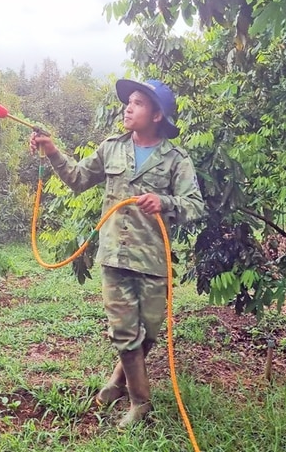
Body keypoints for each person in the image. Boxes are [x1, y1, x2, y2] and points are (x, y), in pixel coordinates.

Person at [30, 78, 205, 429]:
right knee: (125, 332)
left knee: (147, 333)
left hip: (153, 259)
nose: (128, 107)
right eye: (129, 101)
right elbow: (78, 178)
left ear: (157, 115)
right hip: (114, 257)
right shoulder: (112, 148)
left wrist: (165, 201)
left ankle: (117, 382)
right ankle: (141, 403)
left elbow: (195, 206)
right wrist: (52, 151)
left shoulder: (175, 159)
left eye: (138, 103)